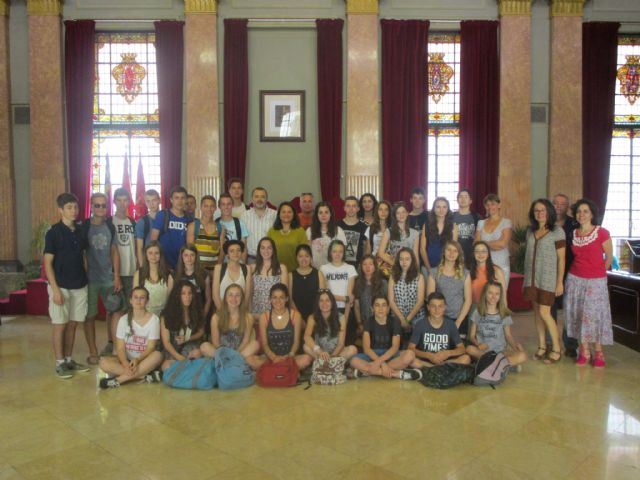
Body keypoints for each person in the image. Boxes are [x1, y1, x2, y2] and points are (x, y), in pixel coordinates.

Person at [44, 193, 91, 378]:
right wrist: (55, 289)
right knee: (60, 324)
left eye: (76, 207)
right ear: (60, 210)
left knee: (73, 324)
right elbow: (47, 263)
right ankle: (59, 362)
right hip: (61, 285)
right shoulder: (53, 232)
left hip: (79, 284)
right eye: (69, 208)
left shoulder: (80, 231)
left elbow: (83, 256)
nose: (74, 211)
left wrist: (86, 276)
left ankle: (69, 359)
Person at [564, 199, 614, 368]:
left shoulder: (602, 233)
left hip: (595, 282)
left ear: (592, 214)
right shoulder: (574, 233)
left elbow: (609, 258)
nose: (582, 214)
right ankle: (584, 351)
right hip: (575, 279)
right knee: (579, 315)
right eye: (579, 211)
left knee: (594, 317)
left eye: (585, 211)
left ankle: (599, 352)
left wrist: (599, 274)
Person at [524, 199, 565, 365]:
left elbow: (561, 259)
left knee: (545, 313)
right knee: (537, 313)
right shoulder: (530, 231)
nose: (540, 213)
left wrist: (559, 282)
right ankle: (541, 346)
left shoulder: (557, 231)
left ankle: (556, 348)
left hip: (548, 278)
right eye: (536, 211)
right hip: (531, 278)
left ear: (549, 212)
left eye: (543, 210)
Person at [81, 193, 121, 365]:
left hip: (108, 278)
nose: (100, 208)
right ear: (91, 206)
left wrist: (117, 275)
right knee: (89, 315)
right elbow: (82, 253)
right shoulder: (84, 226)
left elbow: (114, 251)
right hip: (90, 280)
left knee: (115, 310)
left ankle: (114, 348)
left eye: (103, 205)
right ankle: (93, 351)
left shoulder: (110, 226)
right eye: (97, 205)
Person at [98, 286, 163, 388]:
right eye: (135, 297)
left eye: (142, 298)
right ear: (131, 300)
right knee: (103, 362)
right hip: (127, 360)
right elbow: (120, 348)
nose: (138, 300)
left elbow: (151, 347)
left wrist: (137, 360)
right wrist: (125, 365)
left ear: (147, 301)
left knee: (158, 355)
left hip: (144, 360)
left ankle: (118, 380)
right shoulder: (123, 320)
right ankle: (144, 376)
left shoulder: (154, 320)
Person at [349, 296, 422, 380]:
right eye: (377, 305)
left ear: (388, 308)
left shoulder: (395, 322)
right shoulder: (368, 322)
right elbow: (367, 349)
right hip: (373, 355)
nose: (380, 308)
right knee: (353, 361)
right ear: (372, 308)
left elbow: (395, 348)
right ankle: (397, 374)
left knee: (410, 355)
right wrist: (382, 364)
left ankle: (369, 372)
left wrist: (378, 363)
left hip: (390, 355)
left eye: (384, 305)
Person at [466, 282, 527, 368]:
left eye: (497, 294)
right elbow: (471, 336)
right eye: (490, 293)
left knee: (522, 355)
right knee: (469, 349)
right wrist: (478, 345)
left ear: (500, 296)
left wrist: (515, 347)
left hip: (501, 352)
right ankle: (501, 366)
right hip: (483, 352)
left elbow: (508, 336)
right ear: (485, 294)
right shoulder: (477, 312)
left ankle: (492, 365)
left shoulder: (504, 313)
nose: (493, 297)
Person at [200, 284, 260, 368]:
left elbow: (245, 341)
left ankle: (228, 362)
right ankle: (235, 362)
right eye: (230, 295)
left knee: (255, 344)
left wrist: (235, 354)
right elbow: (216, 343)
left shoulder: (248, 317)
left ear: (242, 298)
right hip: (222, 352)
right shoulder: (216, 317)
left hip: (240, 351)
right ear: (225, 298)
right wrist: (226, 354)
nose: (234, 299)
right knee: (204, 346)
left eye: (237, 295)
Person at [255, 283, 312, 370]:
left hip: (290, 357)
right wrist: (274, 357)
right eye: (274, 297)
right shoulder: (264, 317)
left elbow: (296, 342)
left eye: (281, 297)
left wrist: (289, 356)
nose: (278, 301)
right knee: (251, 360)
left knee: (306, 359)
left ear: (287, 299)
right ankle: (285, 370)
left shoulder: (295, 315)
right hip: (271, 358)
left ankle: (274, 370)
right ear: (270, 299)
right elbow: (264, 343)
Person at [409, 292, 471, 368]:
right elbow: (411, 348)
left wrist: (448, 353)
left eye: (440, 306)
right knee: (410, 359)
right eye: (433, 306)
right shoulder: (420, 324)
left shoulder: (451, 324)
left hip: (445, 362)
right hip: (425, 361)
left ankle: (437, 367)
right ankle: (433, 367)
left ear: (444, 307)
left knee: (466, 359)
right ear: (428, 307)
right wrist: (428, 355)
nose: (437, 310)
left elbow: (462, 349)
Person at [551, 193, 579, 357]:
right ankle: (552, 343)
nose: (558, 206)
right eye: (555, 203)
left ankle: (570, 344)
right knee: (550, 310)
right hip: (550, 272)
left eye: (562, 204)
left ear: (567, 206)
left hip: (571, 272)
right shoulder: (546, 223)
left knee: (569, 310)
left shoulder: (574, 224)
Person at [426, 241, 472, 335]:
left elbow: (468, 300)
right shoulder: (433, 272)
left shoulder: (465, 273)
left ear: (459, 254)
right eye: (449, 250)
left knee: (459, 348)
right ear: (443, 252)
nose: (451, 253)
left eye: (455, 251)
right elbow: (430, 299)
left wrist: (458, 322)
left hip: (459, 318)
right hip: (439, 317)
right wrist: (438, 319)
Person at [159, 281, 205, 370]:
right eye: (183, 294)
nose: (187, 297)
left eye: (190, 293)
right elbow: (166, 343)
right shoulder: (166, 314)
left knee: (198, 353)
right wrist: (180, 358)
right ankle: (187, 368)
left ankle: (185, 369)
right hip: (172, 349)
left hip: (188, 346)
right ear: (177, 296)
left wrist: (188, 338)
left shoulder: (197, 311)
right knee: (166, 367)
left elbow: (201, 332)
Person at [303, 289, 358, 362]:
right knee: (306, 346)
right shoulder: (312, 317)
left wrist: (332, 356)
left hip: (336, 353)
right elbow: (306, 336)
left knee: (353, 349)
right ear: (318, 303)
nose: (324, 303)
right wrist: (320, 352)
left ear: (332, 303)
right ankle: (330, 364)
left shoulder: (341, 318)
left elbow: (341, 343)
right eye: (321, 301)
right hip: (320, 352)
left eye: (327, 300)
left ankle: (328, 363)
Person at [388, 247, 425, 345]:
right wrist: (402, 320)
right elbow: (391, 301)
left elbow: (420, 301)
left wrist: (407, 320)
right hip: (397, 316)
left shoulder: (419, 277)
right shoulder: (393, 276)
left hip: (416, 317)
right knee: (397, 346)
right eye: (401, 259)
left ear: (412, 260)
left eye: (407, 259)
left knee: (416, 345)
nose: (404, 262)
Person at [475, 193, 512, 288]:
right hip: (483, 266)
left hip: (501, 265)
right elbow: (476, 245)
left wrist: (483, 243)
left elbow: (502, 244)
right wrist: (494, 243)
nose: (490, 207)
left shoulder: (506, 222)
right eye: (487, 205)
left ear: (499, 205)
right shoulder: (481, 223)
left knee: (501, 296)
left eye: (493, 204)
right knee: (483, 296)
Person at [150, 185, 192, 269]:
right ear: (171, 200)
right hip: (164, 262)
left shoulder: (189, 218)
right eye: (176, 198)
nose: (180, 201)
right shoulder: (163, 215)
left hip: (182, 263)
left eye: (182, 198)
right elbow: (153, 240)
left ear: (186, 200)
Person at [320, 240, 358, 331]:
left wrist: (346, 317)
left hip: (345, 309)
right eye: (334, 251)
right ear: (330, 252)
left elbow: (349, 297)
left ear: (344, 253)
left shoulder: (350, 268)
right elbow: (324, 293)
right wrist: (343, 298)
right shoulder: (323, 269)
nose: (337, 254)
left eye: (340, 251)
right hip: (328, 309)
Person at [250, 237, 288, 321]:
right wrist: (249, 314)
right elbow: (249, 293)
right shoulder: (252, 268)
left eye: (269, 248)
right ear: (259, 250)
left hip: (275, 312)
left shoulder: (281, 268)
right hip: (256, 312)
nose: (266, 251)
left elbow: (285, 294)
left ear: (273, 250)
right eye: (263, 248)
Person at [133, 241, 173, 317]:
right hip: (144, 315)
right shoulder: (138, 274)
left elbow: (170, 301)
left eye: (156, 253)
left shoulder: (169, 275)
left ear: (160, 255)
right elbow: (135, 300)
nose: (153, 256)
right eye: (150, 253)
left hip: (164, 315)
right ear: (146, 255)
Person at [420, 196, 458, 275]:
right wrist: (429, 269)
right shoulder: (426, 225)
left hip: (446, 268)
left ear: (448, 209)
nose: (441, 210)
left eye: (444, 207)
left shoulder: (453, 226)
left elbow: (453, 250)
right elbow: (422, 248)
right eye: (438, 207)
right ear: (434, 209)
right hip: (427, 267)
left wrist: (446, 268)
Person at [289, 244, 326, 325]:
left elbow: (323, 298)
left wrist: (313, 319)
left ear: (311, 257)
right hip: (297, 318)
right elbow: (290, 299)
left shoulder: (319, 274)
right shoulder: (291, 275)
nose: (304, 259)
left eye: (307, 256)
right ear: (296, 258)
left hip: (316, 318)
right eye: (300, 256)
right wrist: (299, 319)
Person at [267, 201, 308, 273]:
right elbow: (268, 252)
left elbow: (305, 252)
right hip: (276, 271)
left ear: (293, 214)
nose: (286, 214)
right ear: (279, 214)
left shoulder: (300, 231)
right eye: (283, 212)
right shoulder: (271, 231)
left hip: (297, 271)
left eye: (289, 212)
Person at [187, 195, 225, 272]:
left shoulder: (221, 228)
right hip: (197, 271)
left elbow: (222, 251)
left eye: (212, 206)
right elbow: (190, 250)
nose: (209, 209)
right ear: (201, 207)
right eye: (206, 206)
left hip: (214, 271)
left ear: (215, 208)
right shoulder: (193, 226)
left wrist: (217, 270)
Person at [353, 254, 388, 337]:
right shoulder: (357, 283)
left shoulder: (383, 283)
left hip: (381, 322)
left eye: (370, 264)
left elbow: (388, 304)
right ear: (361, 267)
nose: (367, 267)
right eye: (364, 264)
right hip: (365, 322)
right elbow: (356, 306)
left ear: (375, 266)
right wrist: (359, 323)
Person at [377, 202, 420, 269]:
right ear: (395, 215)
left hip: (410, 268)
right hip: (394, 268)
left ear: (407, 213)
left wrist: (417, 271)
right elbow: (381, 253)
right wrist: (394, 264)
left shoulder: (415, 233)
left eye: (403, 212)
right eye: (398, 213)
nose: (401, 215)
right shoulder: (388, 232)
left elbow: (415, 255)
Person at [174, 244, 212, 319]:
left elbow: (208, 299)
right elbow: (171, 299)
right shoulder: (174, 275)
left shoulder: (204, 274)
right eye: (186, 255)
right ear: (181, 257)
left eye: (192, 255)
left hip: (198, 314)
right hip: (180, 315)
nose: (189, 258)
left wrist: (203, 316)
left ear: (196, 257)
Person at [212, 240, 252, 310]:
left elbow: (247, 296)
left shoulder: (247, 268)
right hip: (222, 311)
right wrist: (224, 314)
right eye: (232, 251)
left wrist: (240, 314)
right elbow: (215, 296)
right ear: (227, 254)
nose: (235, 253)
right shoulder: (219, 268)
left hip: (240, 312)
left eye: (238, 250)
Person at [306, 201, 347, 269]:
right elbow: (307, 252)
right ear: (316, 215)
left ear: (330, 214)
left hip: (333, 270)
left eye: (326, 212)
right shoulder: (309, 231)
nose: (323, 215)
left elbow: (343, 253)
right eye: (320, 212)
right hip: (315, 270)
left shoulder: (338, 231)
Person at [242, 187, 277, 264]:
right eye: (256, 196)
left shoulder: (275, 214)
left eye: (262, 197)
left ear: (267, 199)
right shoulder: (244, 215)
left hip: (270, 259)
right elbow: (243, 241)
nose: (259, 199)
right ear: (252, 199)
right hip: (251, 259)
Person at [469, 240, 507, 306]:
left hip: (492, 307)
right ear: (473, 254)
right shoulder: (468, 272)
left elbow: (503, 296)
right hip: (474, 308)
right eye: (477, 251)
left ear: (488, 254)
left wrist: (504, 314)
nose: (480, 254)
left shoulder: (497, 271)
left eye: (483, 251)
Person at [216, 193, 249, 263]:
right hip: (219, 264)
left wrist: (243, 266)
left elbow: (244, 248)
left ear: (232, 205)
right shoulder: (215, 224)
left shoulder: (240, 224)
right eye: (223, 204)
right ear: (219, 206)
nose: (226, 207)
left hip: (236, 265)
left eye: (229, 204)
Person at [339, 195, 370, 268]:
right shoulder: (337, 225)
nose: (351, 209)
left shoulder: (365, 226)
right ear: (344, 208)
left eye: (354, 206)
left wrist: (364, 264)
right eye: (348, 206)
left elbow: (367, 248)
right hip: (339, 265)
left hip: (357, 266)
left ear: (358, 208)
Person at [453, 189, 481, 268]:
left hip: (472, 256)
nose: (463, 199)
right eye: (460, 197)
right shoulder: (451, 217)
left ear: (470, 201)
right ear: (457, 200)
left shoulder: (477, 217)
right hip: (455, 255)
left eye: (466, 197)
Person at [135, 189, 161, 267]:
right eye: (148, 201)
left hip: (165, 260)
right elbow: (139, 248)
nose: (151, 204)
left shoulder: (166, 218)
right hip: (149, 262)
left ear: (159, 200)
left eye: (154, 200)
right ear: (145, 203)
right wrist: (142, 267)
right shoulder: (142, 222)